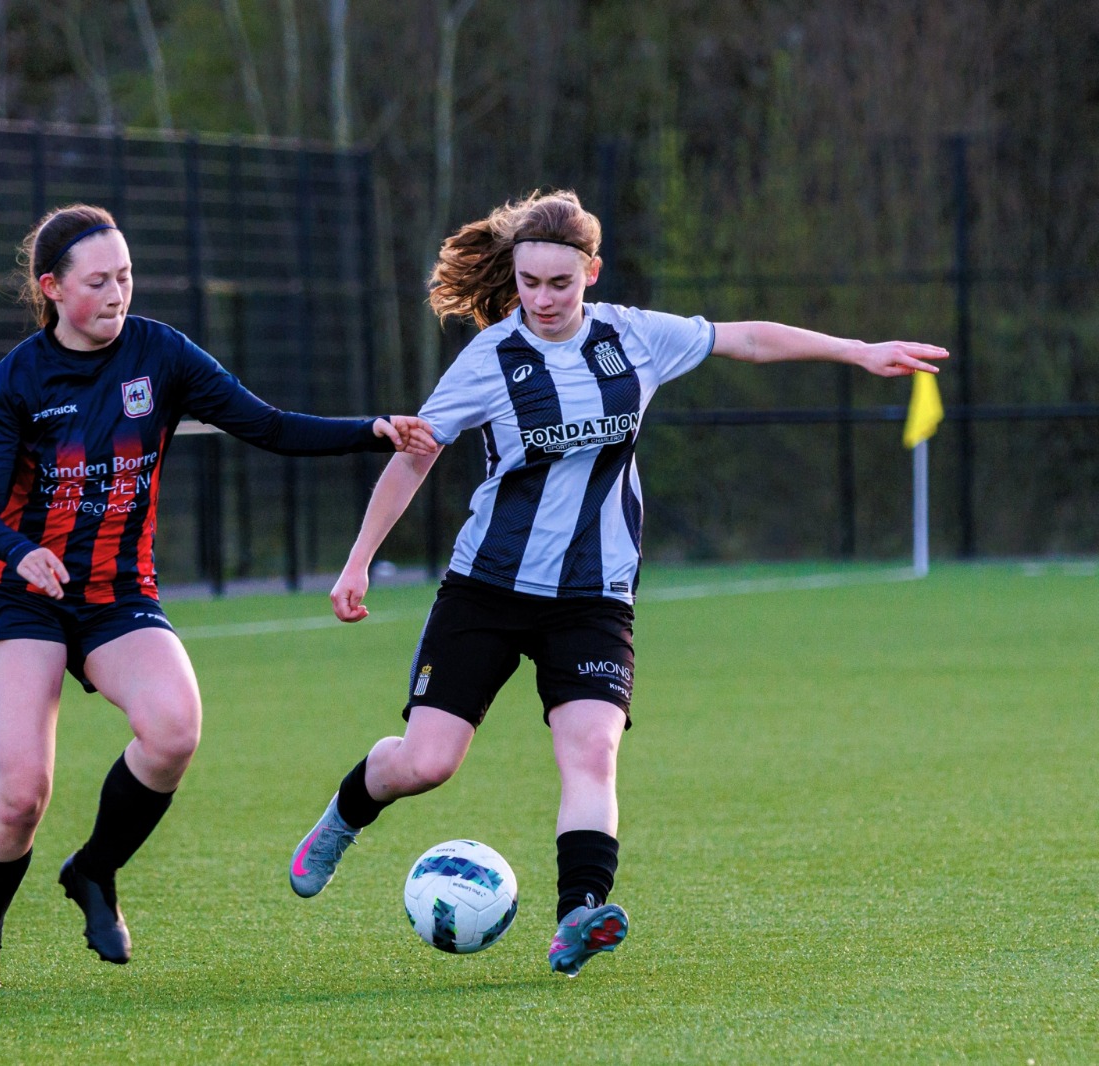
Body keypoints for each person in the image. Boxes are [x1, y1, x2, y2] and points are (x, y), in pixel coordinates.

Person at [283, 189, 948, 978]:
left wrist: (859, 351)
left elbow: (746, 339)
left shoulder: (633, 337)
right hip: (488, 588)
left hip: (594, 595)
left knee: (593, 752)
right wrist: (359, 558)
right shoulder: (490, 360)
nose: (542, 299)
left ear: (591, 272)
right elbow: (414, 454)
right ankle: (344, 816)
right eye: (529, 282)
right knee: (427, 764)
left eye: (560, 283)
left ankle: (579, 915)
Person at [0, 203, 436, 990]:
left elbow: (267, 425)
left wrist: (371, 429)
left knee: (174, 730)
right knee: (21, 795)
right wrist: (21, 551)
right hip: (23, 596)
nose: (117, 294)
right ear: (51, 288)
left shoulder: (159, 353)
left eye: (125, 276)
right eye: (97, 281)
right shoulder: (19, 379)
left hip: (116, 593)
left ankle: (94, 869)